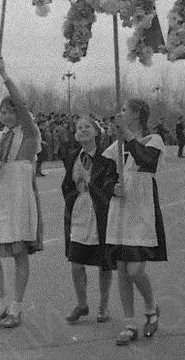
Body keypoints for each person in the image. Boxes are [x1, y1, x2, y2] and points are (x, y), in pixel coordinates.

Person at [0, 57, 44, 330]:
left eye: (10, 111)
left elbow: (23, 105)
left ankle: (16, 307)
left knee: (19, 253)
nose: (6, 116)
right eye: (2, 112)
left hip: (20, 194)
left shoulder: (30, 132)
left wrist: (4, 75)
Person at [104, 99, 166, 346]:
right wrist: (112, 187)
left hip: (141, 207)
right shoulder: (116, 146)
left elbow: (145, 160)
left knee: (135, 269)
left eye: (124, 110)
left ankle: (151, 307)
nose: (120, 114)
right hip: (120, 209)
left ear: (137, 113)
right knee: (121, 268)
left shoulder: (154, 140)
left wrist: (127, 134)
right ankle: (129, 323)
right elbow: (102, 176)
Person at [62, 116, 118, 325]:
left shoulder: (107, 156)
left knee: (104, 263)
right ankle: (82, 304)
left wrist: (93, 187)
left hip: (100, 212)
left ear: (96, 132)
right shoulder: (72, 156)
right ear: (76, 134)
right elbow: (66, 184)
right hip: (79, 212)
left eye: (88, 127)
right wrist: (74, 193)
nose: (83, 130)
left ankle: (104, 305)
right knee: (76, 263)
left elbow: (110, 181)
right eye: (80, 128)